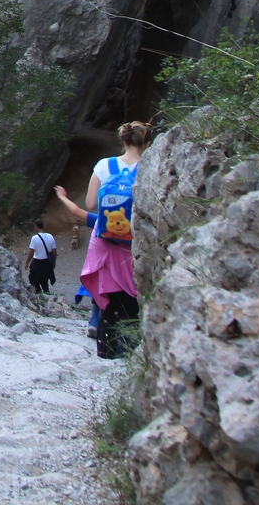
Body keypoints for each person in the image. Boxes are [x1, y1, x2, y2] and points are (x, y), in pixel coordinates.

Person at [54, 121, 154, 358]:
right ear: (148, 143)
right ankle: (129, 354)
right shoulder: (151, 167)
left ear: (123, 140)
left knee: (107, 299)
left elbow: (90, 205)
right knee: (132, 300)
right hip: (135, 241)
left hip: (104, 241)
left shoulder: (105, 165)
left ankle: (105, 352)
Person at [26, 220, 57, 294]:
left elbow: (31, 252)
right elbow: (54, 252)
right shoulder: (50, 236)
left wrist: (27, 262)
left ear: (36, 226)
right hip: (47, 262)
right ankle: (47, 293)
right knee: (44, 280)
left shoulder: (35, 238)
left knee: (33, 279)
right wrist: (53, 262)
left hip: (37, 262)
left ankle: (38, 293)